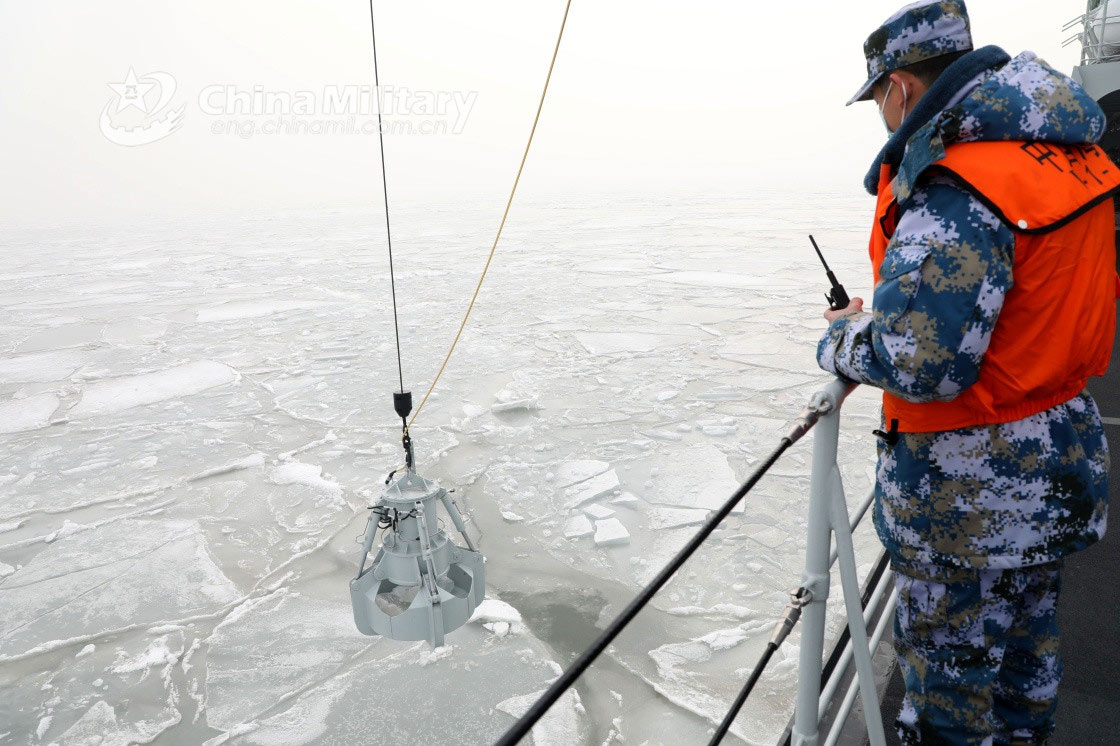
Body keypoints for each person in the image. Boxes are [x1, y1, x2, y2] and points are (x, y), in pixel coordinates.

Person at [816, 1, 1119, 743]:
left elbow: (922, 362)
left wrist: (842, 340)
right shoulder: (1064, 154)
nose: (881, 115)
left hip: (968, 499)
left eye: (879, 98)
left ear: (903, 90)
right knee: (1026, 683)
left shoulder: (958, 185)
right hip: (1054, 467)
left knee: (951, 705)